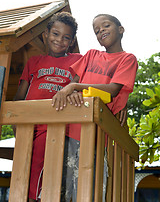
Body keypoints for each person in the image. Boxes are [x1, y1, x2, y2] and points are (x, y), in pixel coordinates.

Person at [52, 13, 138, 201]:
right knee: (63, 189)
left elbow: (113, 90)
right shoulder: (91, 55)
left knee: (89, 190)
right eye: (97, 31)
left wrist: (75, 87)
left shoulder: (127, 59)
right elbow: (73, 82)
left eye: (106, 26)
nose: (101, 31)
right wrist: (73, 89)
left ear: (121, 30)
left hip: (97, 135)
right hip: (70, 130)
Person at [13, 12, 82, 202]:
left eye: (66, 37)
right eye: (55, 34)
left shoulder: (78, 60)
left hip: (57, 123)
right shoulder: (34, 62)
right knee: (23, 169)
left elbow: (90, 81)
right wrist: (15, 120)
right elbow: (20, 95)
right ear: (46, 33)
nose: (59, 40)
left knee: (41, 170)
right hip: (30, 123)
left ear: (72, 41)